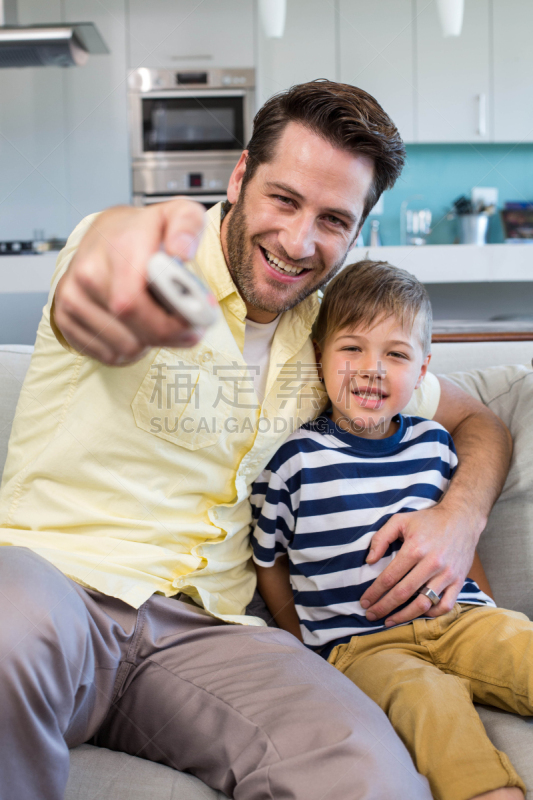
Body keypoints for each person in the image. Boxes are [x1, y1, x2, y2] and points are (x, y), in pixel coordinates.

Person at [0, 80, 510, 799]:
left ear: (358, 229)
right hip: (57, 587)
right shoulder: (141, 259)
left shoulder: (339, 340)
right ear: (240, 176)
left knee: (372, 776)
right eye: (283, 199)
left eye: (333, 218)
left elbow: (480, 420)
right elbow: (98, 279)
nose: (299, 241)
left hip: (211, 636)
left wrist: (459, 519)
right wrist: (105, 281)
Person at [251, 260, 530, 800]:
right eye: (351, 348)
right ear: (320, 357)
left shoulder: (435, 444)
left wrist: (483, 607)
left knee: (520, 645)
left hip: (459, 620)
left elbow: (457, 539)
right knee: (424, 700)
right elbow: (269, 562)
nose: (372, 368)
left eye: (396, 354)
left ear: (423, 368)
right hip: (363, 650)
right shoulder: (294, 462)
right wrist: (300, 647)